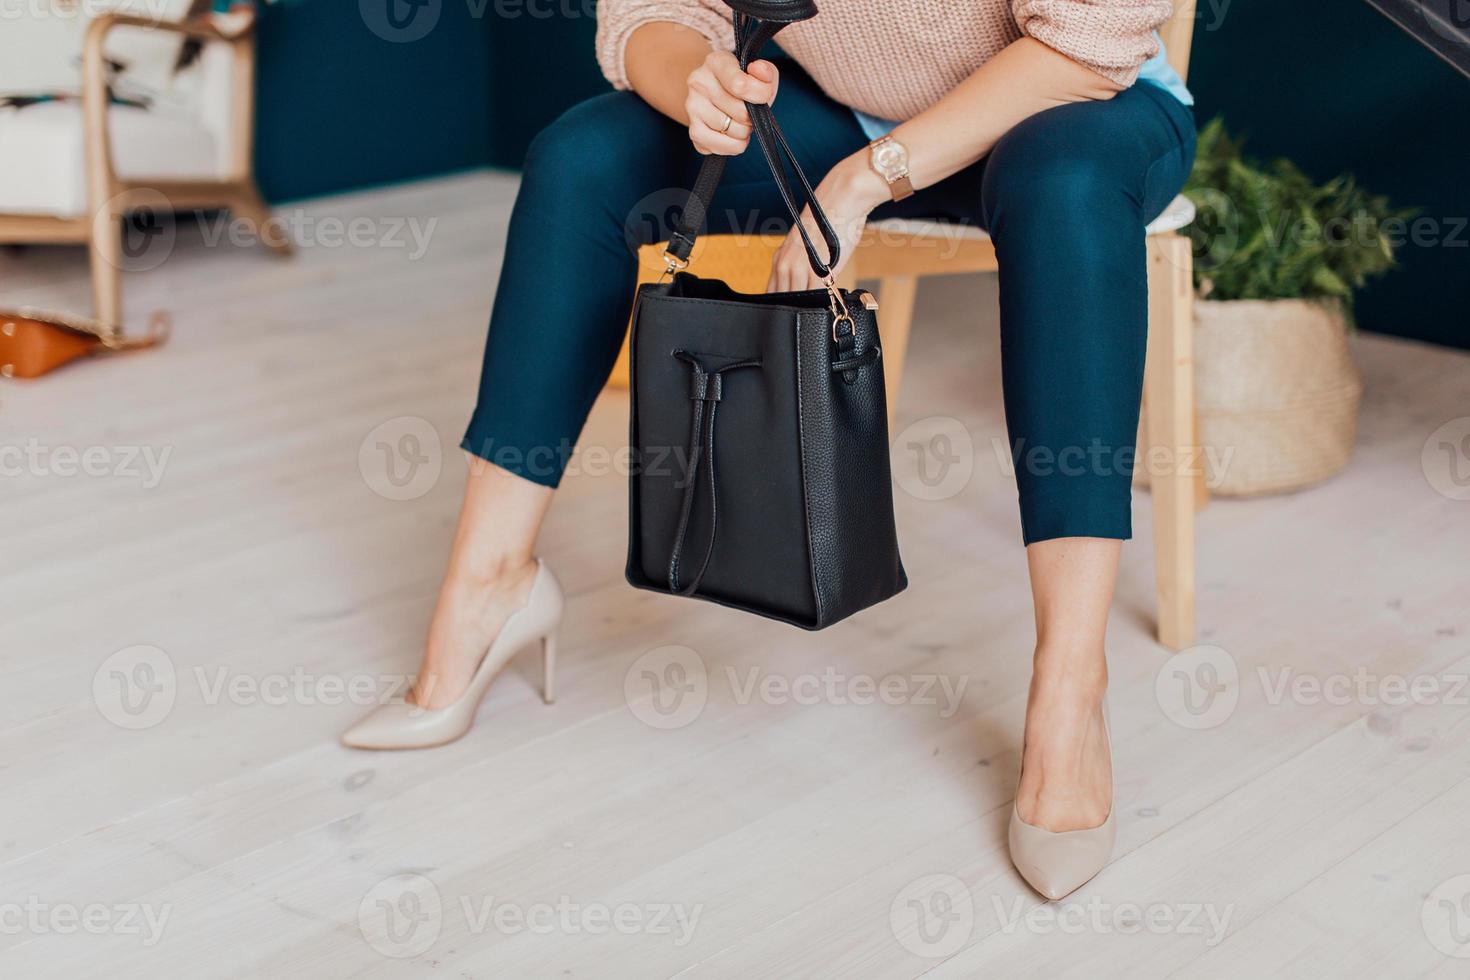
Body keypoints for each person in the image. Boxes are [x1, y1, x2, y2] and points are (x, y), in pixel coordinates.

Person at [343, 0, 1197, 901]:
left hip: (1074, 103)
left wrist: (867, 179)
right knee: (583, 159)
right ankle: (489, 586)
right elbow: (653, 13)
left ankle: (1071, 691)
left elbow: (1084, 46)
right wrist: (694, 79)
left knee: (1063, 181)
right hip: (850, 109)